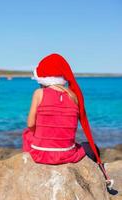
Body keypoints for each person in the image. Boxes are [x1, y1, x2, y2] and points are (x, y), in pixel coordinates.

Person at [22, 53, 113, 189]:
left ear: (42, 78)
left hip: (41, 154)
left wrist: (42, 133)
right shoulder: (74, 96)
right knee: (88, 145)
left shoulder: (39, 94)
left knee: (27, 134)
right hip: (66, 153)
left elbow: (30, 125)